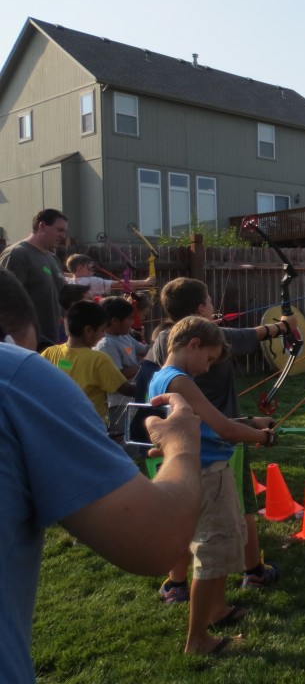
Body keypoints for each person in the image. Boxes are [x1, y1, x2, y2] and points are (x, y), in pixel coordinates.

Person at [0, 266, 203, 684]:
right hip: (92, 435)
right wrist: (182, 443)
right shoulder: (20, 374)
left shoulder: (49, 355)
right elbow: (155, 540)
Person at [147, 277, 289, 603]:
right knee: (236, 516)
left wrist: (250, 421)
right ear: (200, 311)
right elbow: (221, 427)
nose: (207, 367)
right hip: (214, 457)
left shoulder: (164, 348)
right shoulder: (208, 343)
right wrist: (283, 326)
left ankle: (176, 585)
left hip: (180, 457)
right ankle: (250, 574)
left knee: (184, 523)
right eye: (210, 301)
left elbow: (199, 417)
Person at [41, 300, 135, 419]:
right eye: (102, 330)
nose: (103, 335)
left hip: (59, 423)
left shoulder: (49, 353)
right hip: (91, 426)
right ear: (89, 330)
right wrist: (155, 387)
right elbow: (126, 389)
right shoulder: (98, 360)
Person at [0, 209, 69, 350]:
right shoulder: (18, 254)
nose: (63, 236)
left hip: (53, 344)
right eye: (59, 230)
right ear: (42, 226)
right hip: (27, 347)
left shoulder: (53, 259)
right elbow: (6, 303)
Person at [95, 296, 150, 440]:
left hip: (133, 399)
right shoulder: (106, 345)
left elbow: (145, 350)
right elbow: (118, 376)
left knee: (136, 440)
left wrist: (162, 345)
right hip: (118, 404)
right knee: (125, 442)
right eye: (129, 319)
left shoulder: (125, 337)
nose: (132, 323)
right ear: (114, 321)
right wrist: (142, 364)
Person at [66, 253, 155, 295]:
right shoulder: (91, 281)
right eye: (89, 266)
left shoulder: (69, 282)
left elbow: (67, 275)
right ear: (80, 268)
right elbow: (118, 284)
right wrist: (145, 282)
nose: (93, 269)